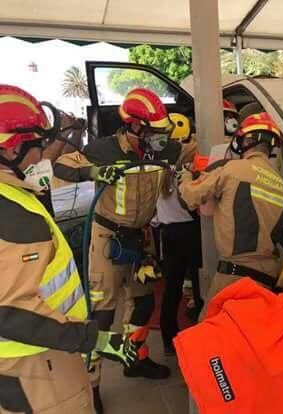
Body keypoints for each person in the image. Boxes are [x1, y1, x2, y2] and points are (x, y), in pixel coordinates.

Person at [0, 85, 137, 414]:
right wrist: (95, 339)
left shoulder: (13, 196)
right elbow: (10, 312)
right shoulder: (14, 213)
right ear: (10, 149)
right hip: (35, 363)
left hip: (33, 355)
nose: (43, 155)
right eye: (38, 145)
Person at [54, 88, 181, 411]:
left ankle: (134, 358)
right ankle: (92, 383)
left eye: (161, 133)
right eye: (152, 132)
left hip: (140, 239)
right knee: (102, 314)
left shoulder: (163, 152)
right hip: (107, 238)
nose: (159, 139)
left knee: (142, 304)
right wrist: (94, 172)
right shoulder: (103, 149)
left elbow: (189, 153)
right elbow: (61, 166)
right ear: (133, 126)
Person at [179, 112, 283, 305]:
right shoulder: (282, 186)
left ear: (245, 140)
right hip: (270, 276)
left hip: (235, 275)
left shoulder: (233, 169)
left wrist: (185, 177)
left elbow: (192, 197)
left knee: (210, 329)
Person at [155, 113, 203, 356]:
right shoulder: (189, 166)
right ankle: (203, 331)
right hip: (191, 230)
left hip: (168, 233)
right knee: (198, 283)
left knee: (171, 287)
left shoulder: (156, 168)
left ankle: (168, 338)